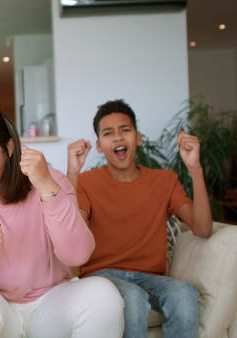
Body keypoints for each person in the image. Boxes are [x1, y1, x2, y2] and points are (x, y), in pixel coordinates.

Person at [0, 107, 125, 337]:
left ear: (8, 148)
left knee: (103, 293)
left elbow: (78, 255)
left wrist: (47, 186)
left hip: (50, 304)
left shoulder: (52, 179)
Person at [67, 99, 213, 338]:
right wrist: (72, 172)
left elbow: (203, 228)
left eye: (125, 129)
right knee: (132, 299)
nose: (117, 137)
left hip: (151, 278)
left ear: (139, 138)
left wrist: (195, 168)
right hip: (101, 276)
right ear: (100, 146)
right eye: (108, 133)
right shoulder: (85, 182)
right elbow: (72, 231)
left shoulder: (165, 180)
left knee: (185, 294)